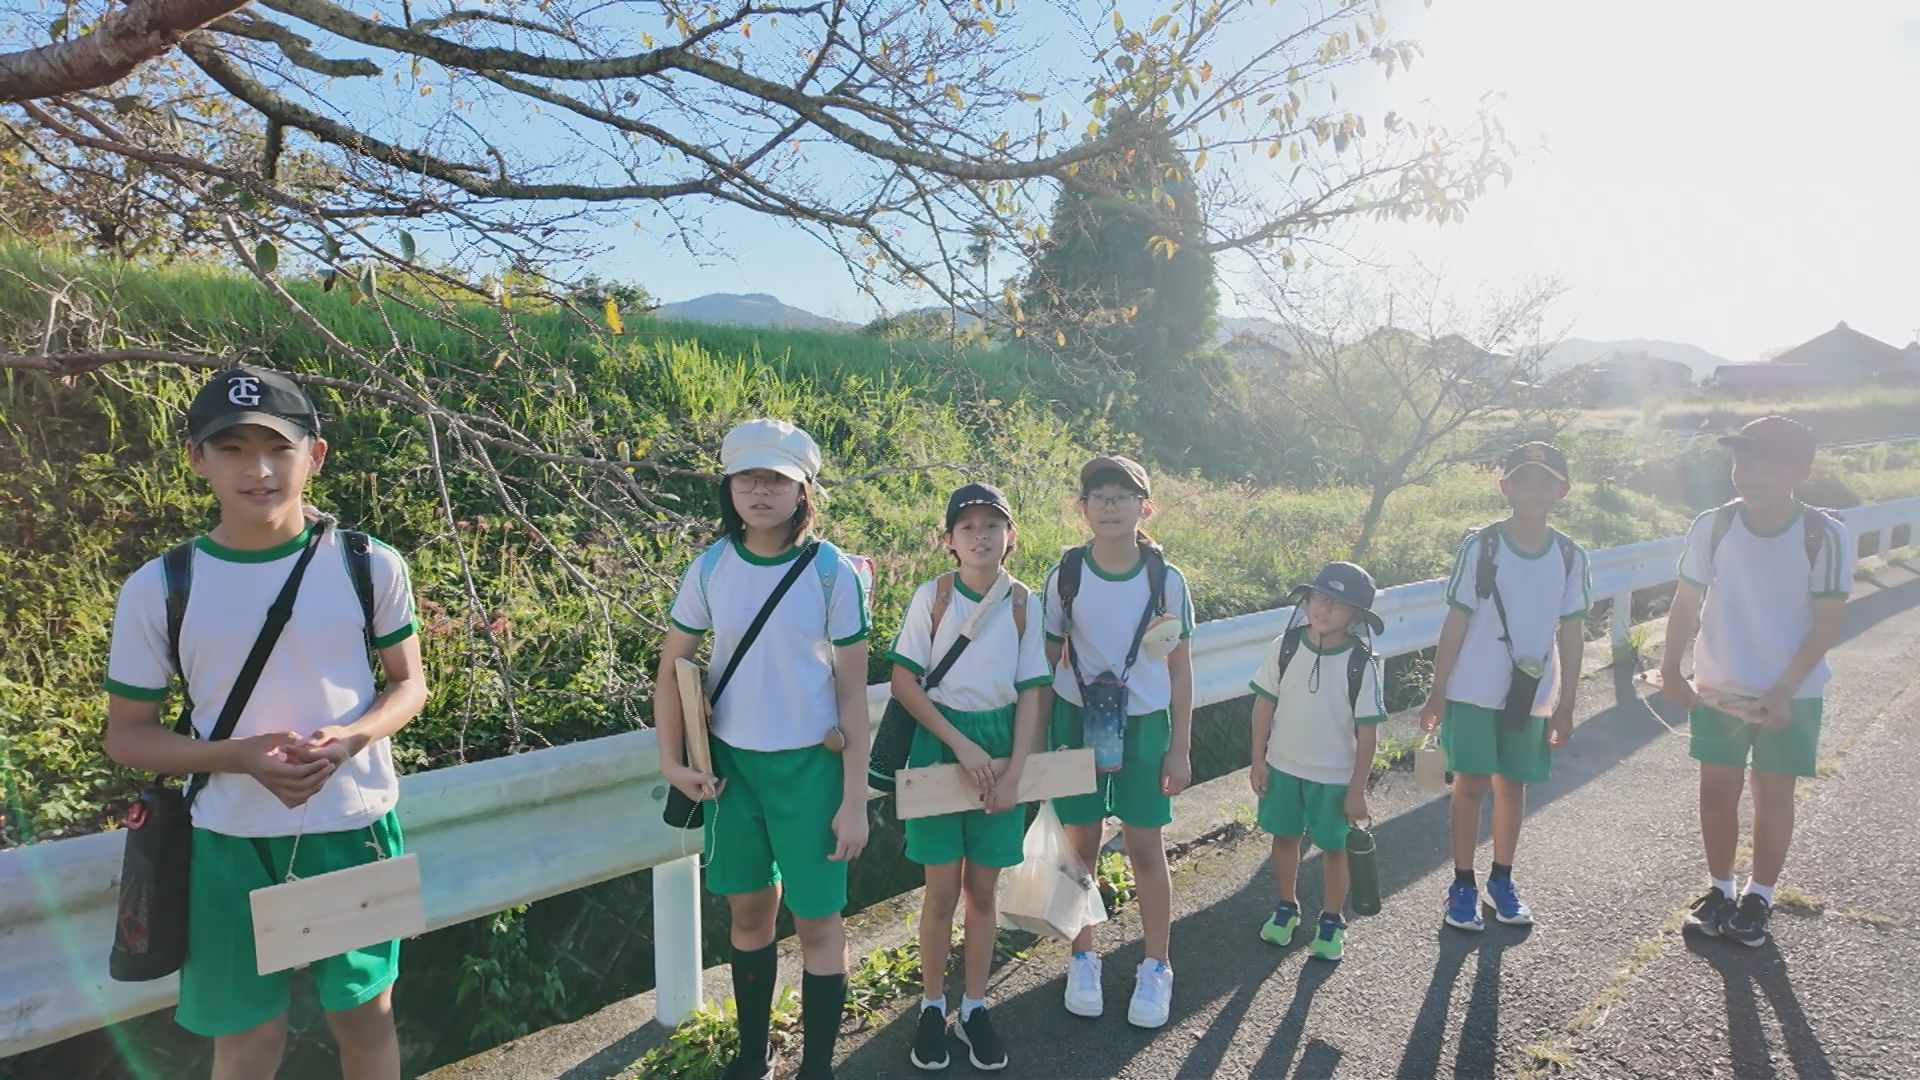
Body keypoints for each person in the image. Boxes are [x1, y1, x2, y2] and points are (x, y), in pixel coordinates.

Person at [103, 366, 425, 1080]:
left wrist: (350, 741)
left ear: (314, 455)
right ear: (196, 459)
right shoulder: (161, 586)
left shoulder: (368, 564)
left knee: (367, 1024)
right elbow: (127, 733)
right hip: (226, 840)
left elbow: (408, 685)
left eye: (278, 448)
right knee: (247, 1043)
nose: (259, 470)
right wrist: (239, 756)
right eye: (232, 449)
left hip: (353, 826)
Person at [655, 418, 872, 1080]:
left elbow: (854, 694)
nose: (760, 489)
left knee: (817, 924)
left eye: (776, 478)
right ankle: (754, 1057)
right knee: (749, 915)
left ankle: (818, 1068)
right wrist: (673, 761)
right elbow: (672, 668)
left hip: (812, 770)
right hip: (731, 772)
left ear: (804, 488)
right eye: (747, 476)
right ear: (728, 486)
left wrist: (855, 799)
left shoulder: (833, 571)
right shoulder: (712, 565)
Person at [1659, 416, 1852, 947]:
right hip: (1720, 683)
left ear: (1801, 473)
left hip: (1792, 691)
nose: (1751, 476)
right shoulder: (1713, 524)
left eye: (1768, 466)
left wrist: (1785, 688)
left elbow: (1828, 620)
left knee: (1773, 794)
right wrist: (1673, 667)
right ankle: (1720, 888)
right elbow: (1686, 601)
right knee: (1717, 791)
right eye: (1743, 463)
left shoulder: (1824, 535)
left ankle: (1759, 895)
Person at [888, 482, 1049, 1072]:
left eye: (992, 526)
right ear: (949, 540)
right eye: (968, 527)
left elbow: (1034, 691)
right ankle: (932, 1006)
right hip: (939, 743)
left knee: (983, 892)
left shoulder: (1025, 602)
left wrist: (1016, 776)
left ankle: (975, 1005)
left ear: (1010, 537)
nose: (981, 536)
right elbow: (904, 681)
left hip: (1004, 747)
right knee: (940, 892)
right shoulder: (931, 598)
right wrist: (957, 744)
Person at [1043, 455, 1196, 1029]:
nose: (1109, 505)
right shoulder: (1065, 574)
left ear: (1145, 507)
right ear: (1082, 509)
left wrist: (1180, 746)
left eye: (1122, 495)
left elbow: (1180, 670)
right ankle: (1082, 956)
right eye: (1098, 496)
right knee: (1079, 846)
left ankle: (1156, 965)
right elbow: (1045, 659)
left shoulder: (1166, 579)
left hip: (1145, 726)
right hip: (1074, 722)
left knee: (1144, 848)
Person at [1420, 441, 1590, 931]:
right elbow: (1456, 621)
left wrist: (1566, 705)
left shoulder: (1568, 554)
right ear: (1505, 487)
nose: (1533, 491)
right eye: (1523, 480)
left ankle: (1502, 879)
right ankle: (1463, 884)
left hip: (1533, 691)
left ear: (1562, 490)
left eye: (1544, 482)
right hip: (1473, 687)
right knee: (1470, 784)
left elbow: (1573, 631)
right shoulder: (1483, 546)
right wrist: (1437, 691)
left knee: (1512, 786)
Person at [1249, 562, 1389, 962]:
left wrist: (1357, 790)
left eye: (1338, 604)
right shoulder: (1286, 646)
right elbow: (1263, 704)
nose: (1323, 609)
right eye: (1319, 598)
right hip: (1283, 766)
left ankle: (1331, 919)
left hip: (1334, 778)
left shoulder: (1361, 662)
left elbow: (1367, 732)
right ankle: (1286, 906)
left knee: (1335, 848)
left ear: (1356, 616)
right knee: (1284, 838)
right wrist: (1258, 759)